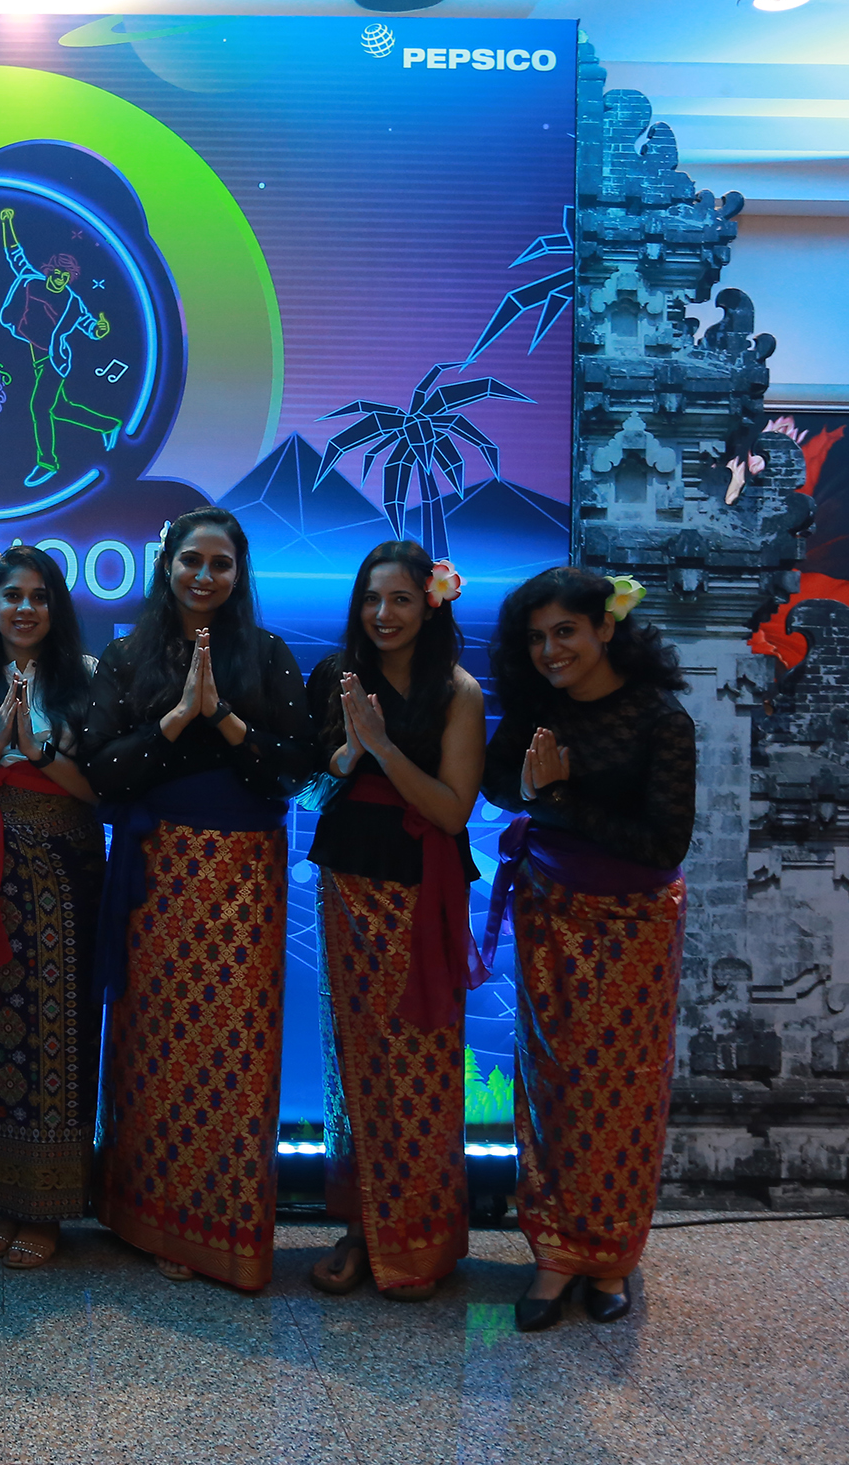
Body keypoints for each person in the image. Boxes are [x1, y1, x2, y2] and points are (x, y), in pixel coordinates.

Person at [86, 507, 312, 1287]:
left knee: (233, 1047)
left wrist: (227, 721)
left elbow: (295, 770)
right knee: (153, 1043)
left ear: (240, 573)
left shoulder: (268, 655)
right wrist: (178, 722)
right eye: (191, 560)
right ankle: (147, 1213)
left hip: (246, 879)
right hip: (156, 876)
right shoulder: (128, 654)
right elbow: (101, 770)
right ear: (167, 566)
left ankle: (220, 1222)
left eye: (220, 563)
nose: (204, 575)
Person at [480, 567, 695, 1332]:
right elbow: (497, 786)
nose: (550, 651)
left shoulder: (661, 718)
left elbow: (664, 843)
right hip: (550, 908)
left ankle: (612, 1256)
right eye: (537, 638)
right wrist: (533, 792)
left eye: (565, 631)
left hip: (636, 925)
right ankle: (554, 1252)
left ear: (606, 627)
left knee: (625, 1088)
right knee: (552, 1082)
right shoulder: (538, 706)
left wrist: (560, 799)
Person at [303, 542, 490, 1302]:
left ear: (431, 605)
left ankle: (419, 1237)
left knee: (422, 1064)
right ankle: (361, 1229)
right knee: (355, 1063)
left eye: (401, 599)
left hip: (423, 890)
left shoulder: (459, 692)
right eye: (372, 599)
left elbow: (452, 810)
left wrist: (381, 747)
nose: (383, 614)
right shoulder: (334, 678)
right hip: (348, 883)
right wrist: (349, 755)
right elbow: (307, 794)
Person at [0, 546, 104, 1270]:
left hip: (65, 872)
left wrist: (34, 752)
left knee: (57, 1030)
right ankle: (5, 1197)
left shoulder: (86, 678)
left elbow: (103, 793)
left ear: (56, 606)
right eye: (12, 596)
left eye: (39, 596)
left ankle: (49, 1207)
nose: (25, 608)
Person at [0, 207, 119, 487]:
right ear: (50, 271)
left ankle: (47, 463)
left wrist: (100, 329)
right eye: (57, 273)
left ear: (70, 278)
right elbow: (15, 254)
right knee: (61, 408)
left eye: (65, 276)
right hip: (37, 357)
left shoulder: (72, 302)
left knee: (40, 407)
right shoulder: (31, 282)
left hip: (55, 361)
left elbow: (89, 326)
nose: (60, 279)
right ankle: (108, 425)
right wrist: (7, 222)